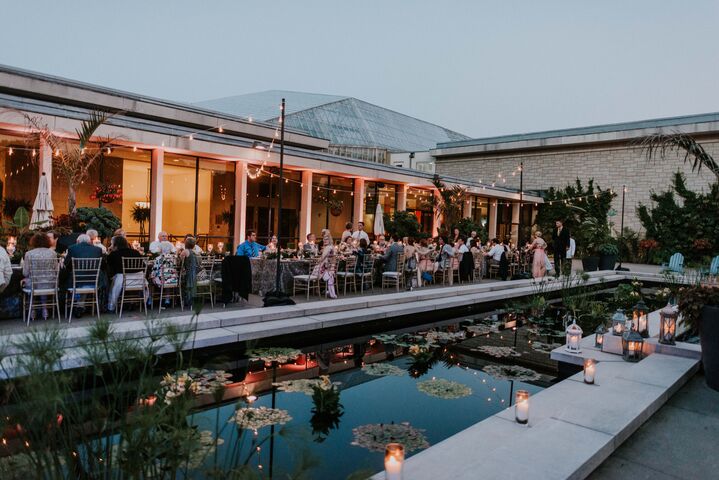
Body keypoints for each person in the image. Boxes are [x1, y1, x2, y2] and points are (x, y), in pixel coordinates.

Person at [64, 234, 103, 317]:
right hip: (93, 281)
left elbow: (66, 264)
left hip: (76, 281)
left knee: (66, 278)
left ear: (77, 241)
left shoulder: (72, 248)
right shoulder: (98, 250)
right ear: (90, 242)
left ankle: (73, 305)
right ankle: (82, 306)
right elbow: (102, 265)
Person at [22, 232, 58, 320]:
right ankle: (44, 308)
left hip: (34, 285)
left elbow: (25, 273)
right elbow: (56, 271)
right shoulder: (52, 253)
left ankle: (32, 309)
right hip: (50, 284)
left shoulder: (29, 254)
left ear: (34, 241)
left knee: (30, 280)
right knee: (42, 281)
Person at [106, 235, 146, 313]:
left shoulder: (114, 254)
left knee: (111, 281)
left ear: (115, 245)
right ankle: (132, 302)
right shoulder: (135, 252)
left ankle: (111, 306)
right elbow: (143, 266)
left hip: (122, 281)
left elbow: (109, 264)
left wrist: (110, 251)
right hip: (138, 281)